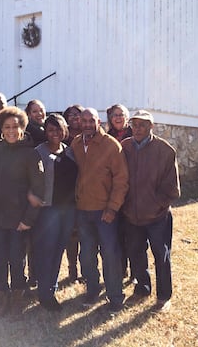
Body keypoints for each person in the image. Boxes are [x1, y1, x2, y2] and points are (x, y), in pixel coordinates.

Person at [0, 106, 45, 319]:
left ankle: (17, 301)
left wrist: (28, 219)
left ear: (22, 128)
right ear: (1, 129)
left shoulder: (31, 154)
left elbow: (38, 189)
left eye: (15, 127)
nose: (11, 131)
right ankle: (2, 299)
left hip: (19, 219)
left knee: (16, 259)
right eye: (7, 127)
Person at [121, 110, 181, 313]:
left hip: (157, 216)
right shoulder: (125, 147)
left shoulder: (164, 150)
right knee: (136, 253)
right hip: (132, 215)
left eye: (142, 125)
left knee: (161, 256)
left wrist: (157, 205)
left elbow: (172, 188)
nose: (137, 129)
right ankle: (142, 288)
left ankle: (164, 297)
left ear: (151, 127)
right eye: (134, 125)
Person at [70, 107, 129, 312]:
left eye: (91, 120)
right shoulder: (76, 144)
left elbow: (121, 180)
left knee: (110, 254)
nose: (87, 124)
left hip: (105, 212)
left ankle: (115, 297)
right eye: (83, 120)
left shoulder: (111, 146)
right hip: (82, 211)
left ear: (99, 122)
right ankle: (92, 291)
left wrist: (112, 208)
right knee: (86, 255)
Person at [32, 114, 78, 311]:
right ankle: (45, 293)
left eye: (58, 129)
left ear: (64, 130)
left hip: (68, 209)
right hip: (48, 210)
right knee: (47, 250)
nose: (55, 133)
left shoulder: (70, 152)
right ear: (45, 131)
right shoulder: (38, 153)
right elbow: (29, 178)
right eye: (50, 130)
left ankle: (51, 286)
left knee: (59, 248)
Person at [106, 103, 132, 280]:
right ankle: (121, 270)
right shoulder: (107, 138)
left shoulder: (134, 134)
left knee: (134, 236)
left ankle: (136, 272)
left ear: (126, 117)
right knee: (117, 236)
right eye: (114, 115)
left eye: (121, 114)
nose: (118, 117)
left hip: (133, 191)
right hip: (113, 192)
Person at [62, 104, 84, 282]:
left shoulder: (89, 135)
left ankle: (86, 269)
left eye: (78, 114)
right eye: (70, 115)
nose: (74, 117)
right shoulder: (63, 138)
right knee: (72, 234)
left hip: (87, 189)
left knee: (86, 233)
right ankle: (72, 270)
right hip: (68, 191)